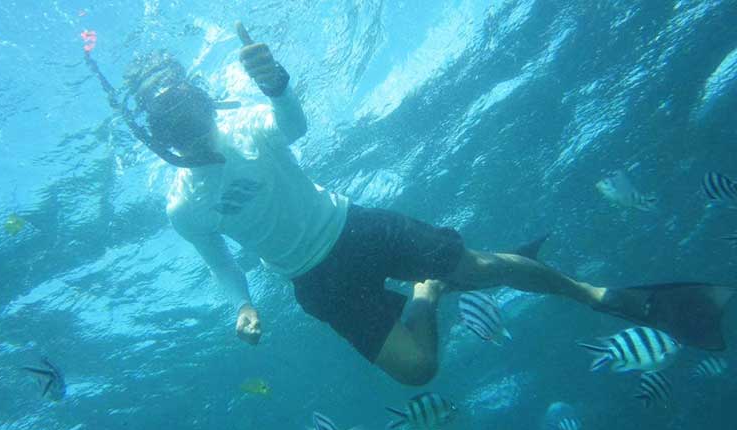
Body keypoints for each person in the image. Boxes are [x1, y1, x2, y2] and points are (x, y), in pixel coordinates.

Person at [88, 22, 733, 386]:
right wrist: (244, 305)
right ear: (156, 137)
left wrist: (278, 84)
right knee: (418, 373)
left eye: (192, 113)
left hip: (355, 228)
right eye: (173, 128)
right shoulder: (183, 208)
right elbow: (222, 263)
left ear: (204, 101)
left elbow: (294, 125)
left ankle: (602, 296)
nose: (194, 135)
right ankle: (427, 291)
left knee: (483, 269)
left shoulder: (248, 126)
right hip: (313, 283)